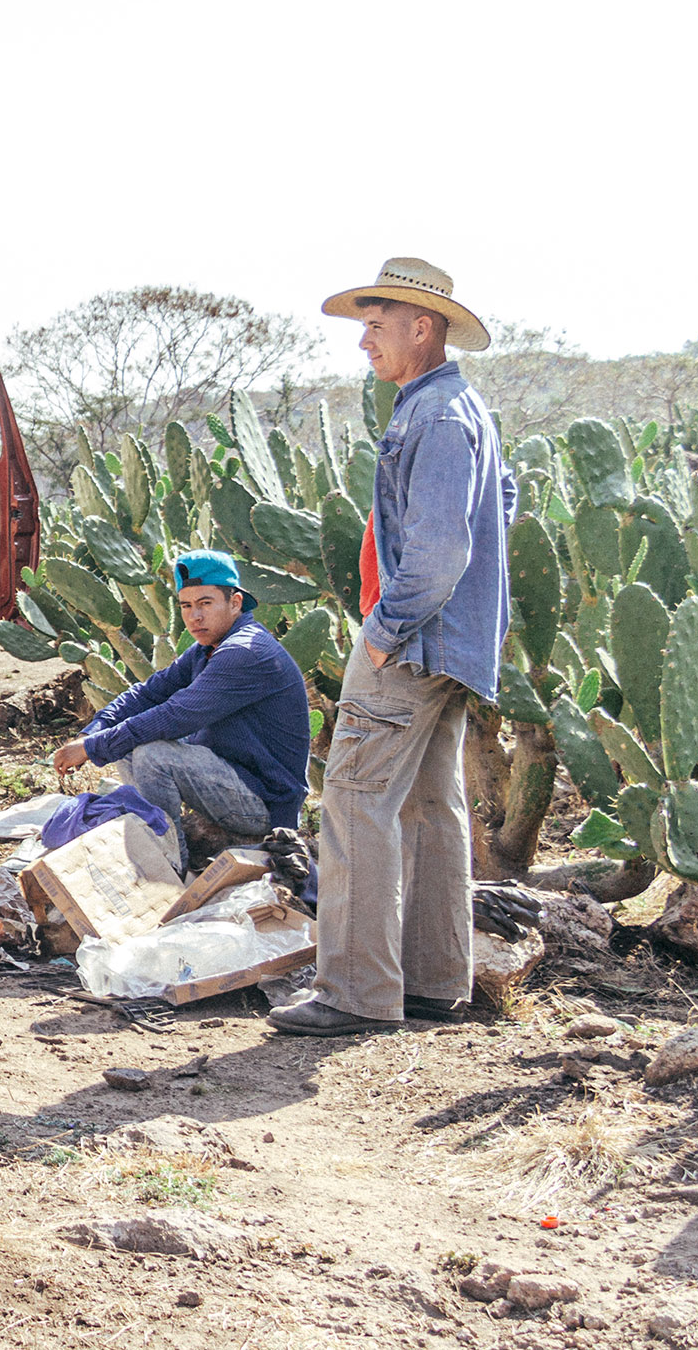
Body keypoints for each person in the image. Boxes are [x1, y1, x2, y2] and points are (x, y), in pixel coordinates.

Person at [269, 257, 514, 1038]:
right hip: (452, 645)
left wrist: (382, 631)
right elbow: (501, 503)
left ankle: (354, 991)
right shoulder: (459, 407)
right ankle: (436, 983)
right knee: (426, 804)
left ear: (424, 325)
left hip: (410, 643)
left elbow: (440, 550)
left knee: (353, 799)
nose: (364, 341)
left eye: (377, 325)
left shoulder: (436, 416)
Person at [52, 550, 312, 873]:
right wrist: (91, 732)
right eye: (186, 606)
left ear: (235, 603)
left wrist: (91, 749)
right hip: (229, 778)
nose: (194, 617)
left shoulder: (244, 651)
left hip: (265, 803)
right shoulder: (206, 648)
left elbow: (175, 716)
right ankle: (154, 837)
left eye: (205, 603)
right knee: (126, 743)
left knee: (153, 755)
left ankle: (169, 865)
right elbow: (148, 693)